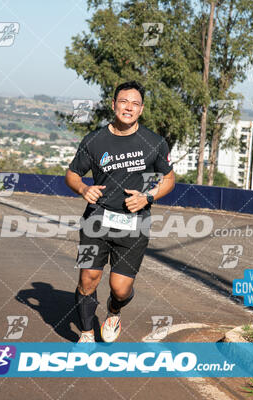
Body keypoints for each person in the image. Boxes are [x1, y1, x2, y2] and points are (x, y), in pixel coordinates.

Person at [65, 81, 175, 343]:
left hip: (134, 224)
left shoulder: (154, 143)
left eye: (135, 103)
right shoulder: (94, 140)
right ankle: (87, 333)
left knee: (120, 288)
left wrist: (147, 196)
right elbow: (72, 174)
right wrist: (83, 188)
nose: (129, 107)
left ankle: (114, 311)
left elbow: (169, 180)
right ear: (113, 104)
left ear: (141, 109)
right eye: (124, 101)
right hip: (96, 220)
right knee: (88, 277)